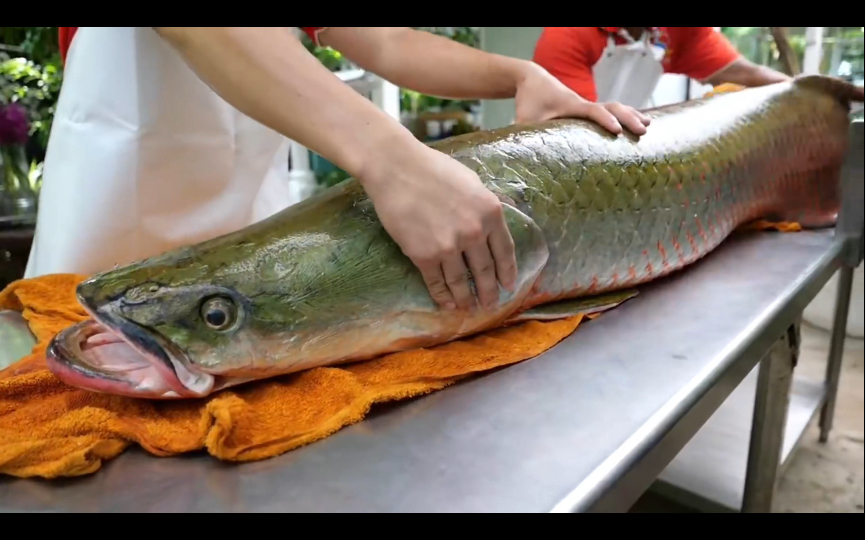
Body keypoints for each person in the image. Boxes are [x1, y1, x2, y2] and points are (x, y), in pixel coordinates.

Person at [26, 27, 650, 312]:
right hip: (101, 258)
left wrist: (519, 76)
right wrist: (393, 161)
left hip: (249, 244)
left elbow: (389, 43)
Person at [532, 27, 790, 108]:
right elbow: (576, 134)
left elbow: (747, 74)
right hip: (556, 154)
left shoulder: (676, 31)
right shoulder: (566, 35)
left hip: (623, 141)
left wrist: (809, 91)